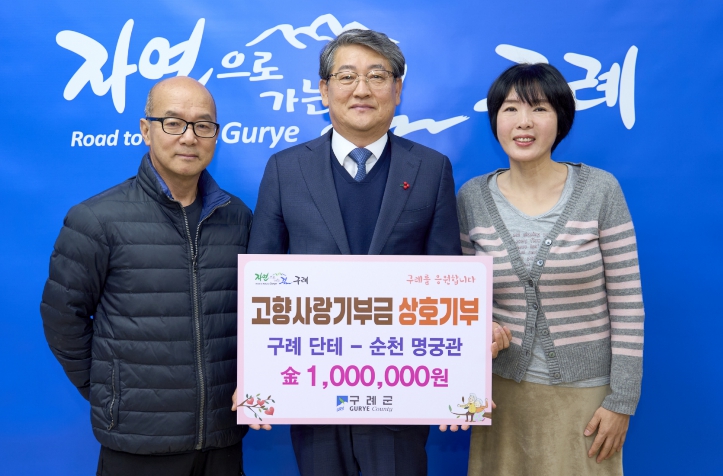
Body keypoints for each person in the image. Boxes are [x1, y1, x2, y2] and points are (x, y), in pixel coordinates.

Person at [244, 28, 461, 476]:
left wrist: (456, 384)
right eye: (347, 77)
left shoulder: (431, 169)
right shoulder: (285, 169)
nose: (361, 89)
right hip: (312, 395)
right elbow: (259, 283)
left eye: (376, 76)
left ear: (397, 90)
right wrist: (256, 381)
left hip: (402, 396)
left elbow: (448, 281)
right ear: (324, 90)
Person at [40, 76, 253, 476]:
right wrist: (112, 394)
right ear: (146, 129)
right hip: (136, 443)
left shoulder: (238, 218)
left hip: (222, 440)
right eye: (173, 123)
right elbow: (62, 317)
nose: (189, 137)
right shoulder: (96, 219)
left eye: (203, 125)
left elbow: (258, 318)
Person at [457, 63, 644, 475]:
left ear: (561, 119)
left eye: (539, 108)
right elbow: (461, 303)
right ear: (495, 119)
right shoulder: (471, 198)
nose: (523, 122)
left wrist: (622, 401)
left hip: (586, 397)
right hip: (499, 394)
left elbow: (628, 302)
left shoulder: (600, 190)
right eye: (510, 109)